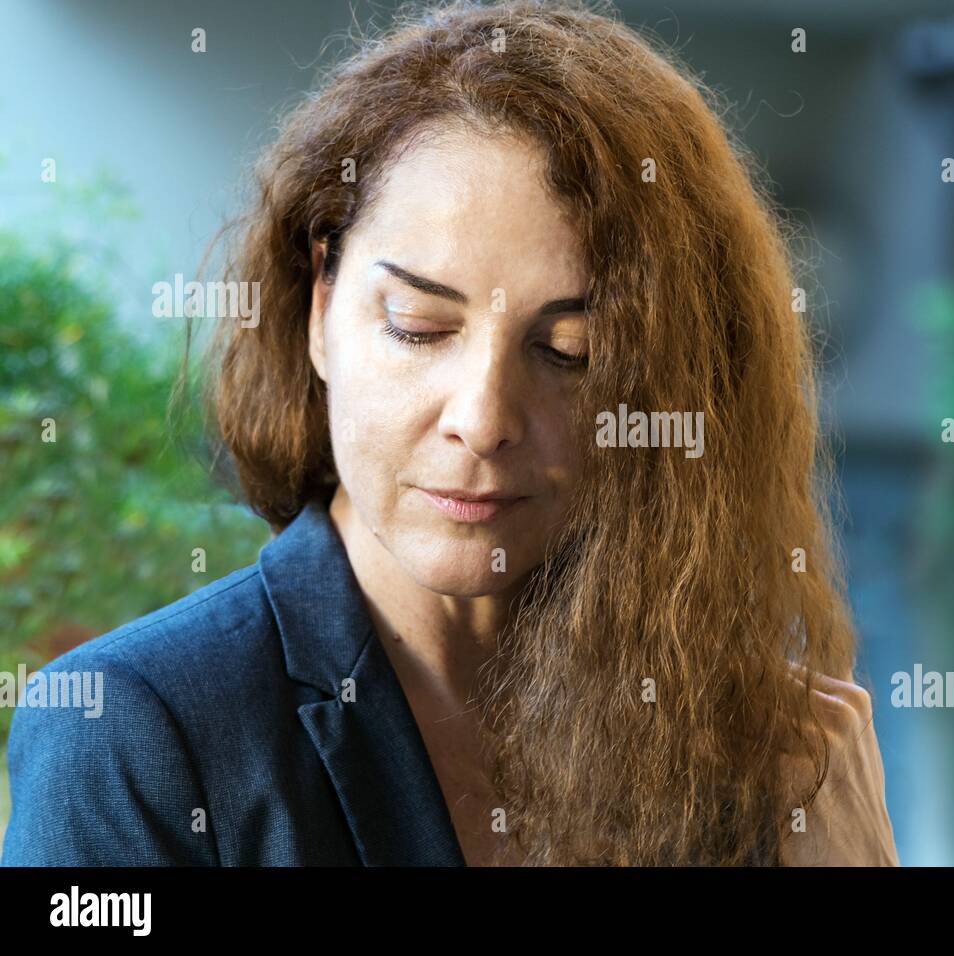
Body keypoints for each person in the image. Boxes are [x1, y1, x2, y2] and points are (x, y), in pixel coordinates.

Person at [1, 0, 898, 866]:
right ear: (321, 308)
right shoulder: (133, 732)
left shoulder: (738, 750)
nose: (481, 420)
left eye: (569, 351)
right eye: (419, 326)